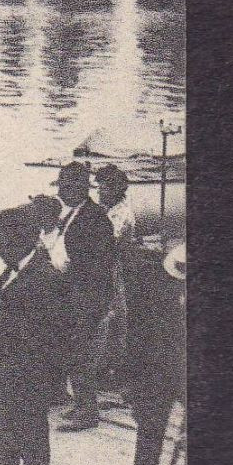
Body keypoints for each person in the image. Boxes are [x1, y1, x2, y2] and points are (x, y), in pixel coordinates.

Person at [0, 206, 74, 465]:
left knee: (31, 443)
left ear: (20, 241)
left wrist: (33, 377)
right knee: (2, 437)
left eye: (3, 243)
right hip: (5, 376)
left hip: (29, 378)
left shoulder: (46, 279)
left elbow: (51, 338)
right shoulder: (11, 272)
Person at [115, 243, 185, 465]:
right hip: (158, 373)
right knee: (149, 431)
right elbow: (138, 338)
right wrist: (130, 379)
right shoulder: (154, 293)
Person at [52, 161, 117, 431]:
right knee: (71, 352)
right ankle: (79, 403)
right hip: (73, 295)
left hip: (86, 299)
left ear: (79, 186)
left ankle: (87, 412)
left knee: (82, 356)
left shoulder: (94, 219)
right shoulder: (75, 214)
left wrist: (88, 304)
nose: (61, 191)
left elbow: (96, 267)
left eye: (65, 185)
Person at [95, 163, 137, 387]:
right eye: (99, 188)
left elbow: (109, 243)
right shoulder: (104, 209)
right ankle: (102, 367)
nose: (100, 193)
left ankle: (111, 370)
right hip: (102, 268)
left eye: (104, 189)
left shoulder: (122, 215)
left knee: (112, 318)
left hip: (112, 269)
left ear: (116, 190)